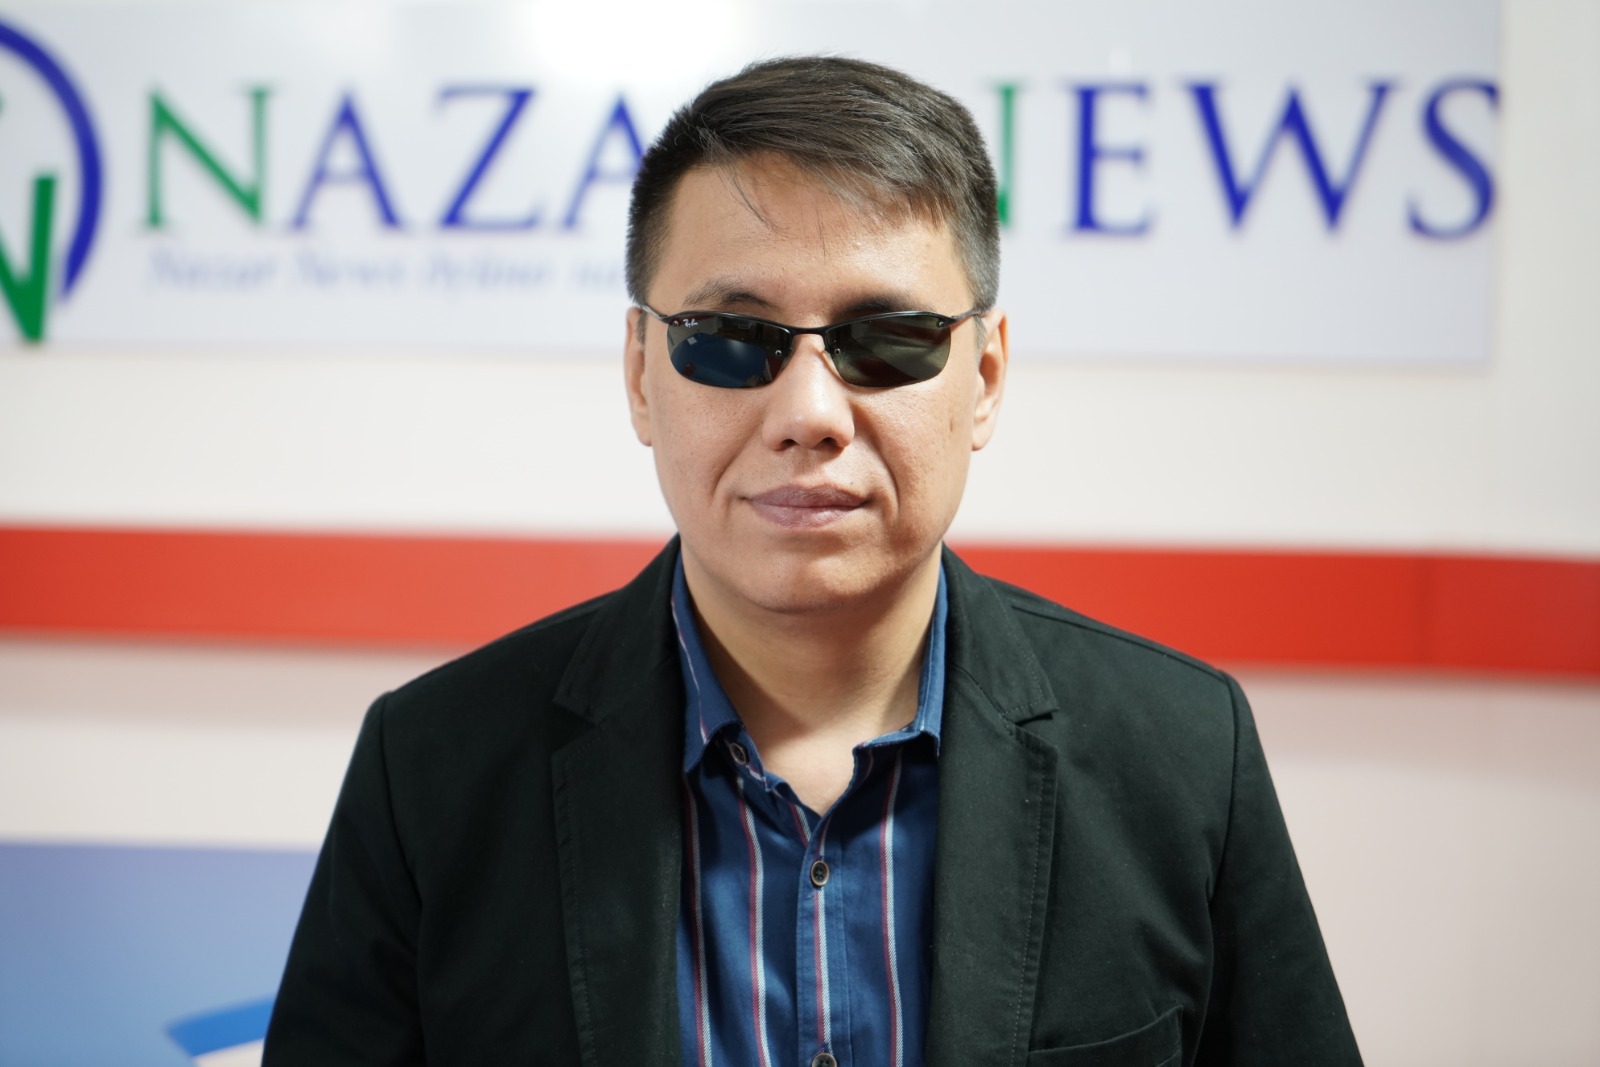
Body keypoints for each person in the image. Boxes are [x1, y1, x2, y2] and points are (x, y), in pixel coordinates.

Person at [264, 56, 1362, 1066]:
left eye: (885, 340)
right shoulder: (434, 770)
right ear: (641, 373)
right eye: (728, 339)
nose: (809, 413)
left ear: (984, 377)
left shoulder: (1180, 754)